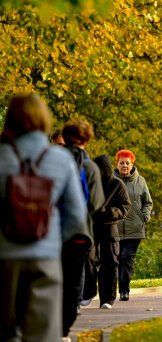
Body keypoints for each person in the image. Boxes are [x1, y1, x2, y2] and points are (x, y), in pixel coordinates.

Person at [0, 93, 88, 342]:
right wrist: (53, 240)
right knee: (42, 334)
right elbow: (75, 216)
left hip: (4, 257)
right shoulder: (59, 160)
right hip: (45, 258)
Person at [61, 118, 105, 339]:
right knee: (73, 278)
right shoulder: (89, 167)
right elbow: (96, 203)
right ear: (86, 139)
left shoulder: (52, 160)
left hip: (51, 230)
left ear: (65, 136)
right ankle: (64, 329)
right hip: (79, 231)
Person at [89, 155, 131, 309]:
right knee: (88, 259)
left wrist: (110, 212)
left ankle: (107, 299)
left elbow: (125, 206)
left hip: (109, 226)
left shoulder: (117, 184)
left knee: (110, 261)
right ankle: (88, 291)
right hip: (90, 226)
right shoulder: (90, 183)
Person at [115, 149, 153, 301]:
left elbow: (148, 202)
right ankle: (118, 288)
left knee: (127, 257)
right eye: (121, 163)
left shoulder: (140, 181)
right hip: (114, 227)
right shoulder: (111, 180)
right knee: (116, 259)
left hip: (135, 227)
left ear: (132, 164)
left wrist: (145, 216)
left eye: (127, 163)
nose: (124, 165)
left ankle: (125, 290)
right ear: (116, 164)